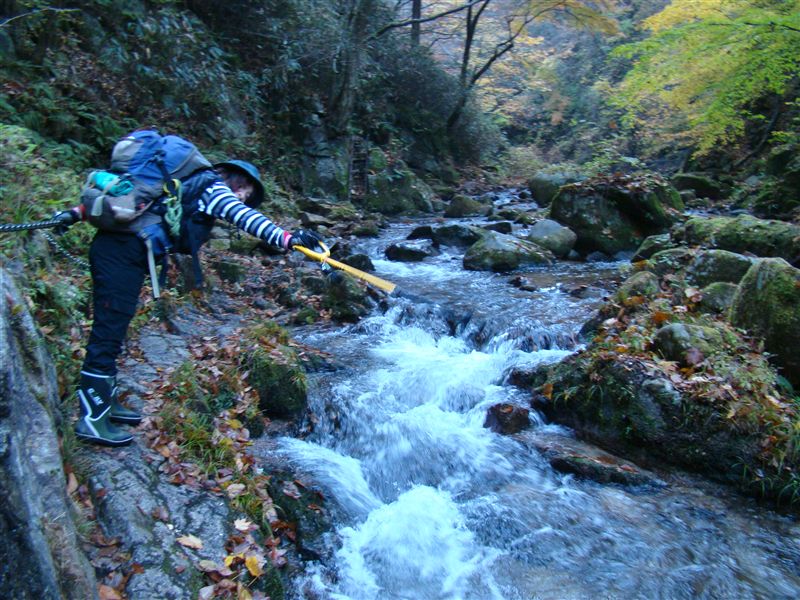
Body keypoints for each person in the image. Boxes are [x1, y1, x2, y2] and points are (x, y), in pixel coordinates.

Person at [54, 160, 322, 447]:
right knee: (107, 332)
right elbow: (244, 217)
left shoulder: (182, 186)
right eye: (244, 188)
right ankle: (93, 418)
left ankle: (104, 401)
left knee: (116, 328)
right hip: (119, 256)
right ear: (232, 177)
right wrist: (287, 238)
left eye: (248, 194)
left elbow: (137, 206)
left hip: (122, 254)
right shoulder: (212, 187)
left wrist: (73, 214)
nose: (243, 196)